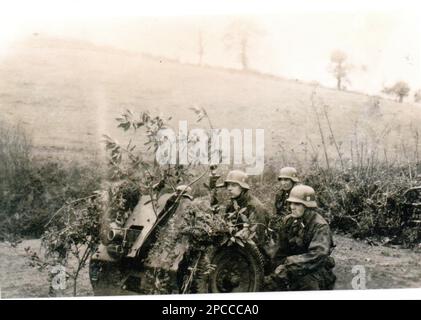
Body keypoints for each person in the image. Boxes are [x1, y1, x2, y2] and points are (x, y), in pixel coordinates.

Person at [269, 185, 336, 291]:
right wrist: (274, 268)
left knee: (307, 285)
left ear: (307, 206)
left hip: (314, 269)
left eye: (297, 204)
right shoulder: (288, 221)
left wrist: (288, 266)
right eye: (291, 203)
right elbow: (280, 249)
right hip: (294, 266)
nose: (292, 207)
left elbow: (317, 255)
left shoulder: (319, 226)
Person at [219, 170, 271, 250]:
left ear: (242, 187)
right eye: (228, 185)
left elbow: (258, 239)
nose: (229, 188)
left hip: (254, 250)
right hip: (235, 246)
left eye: (233, 185)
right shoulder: (232, 204)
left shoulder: (255, 207)